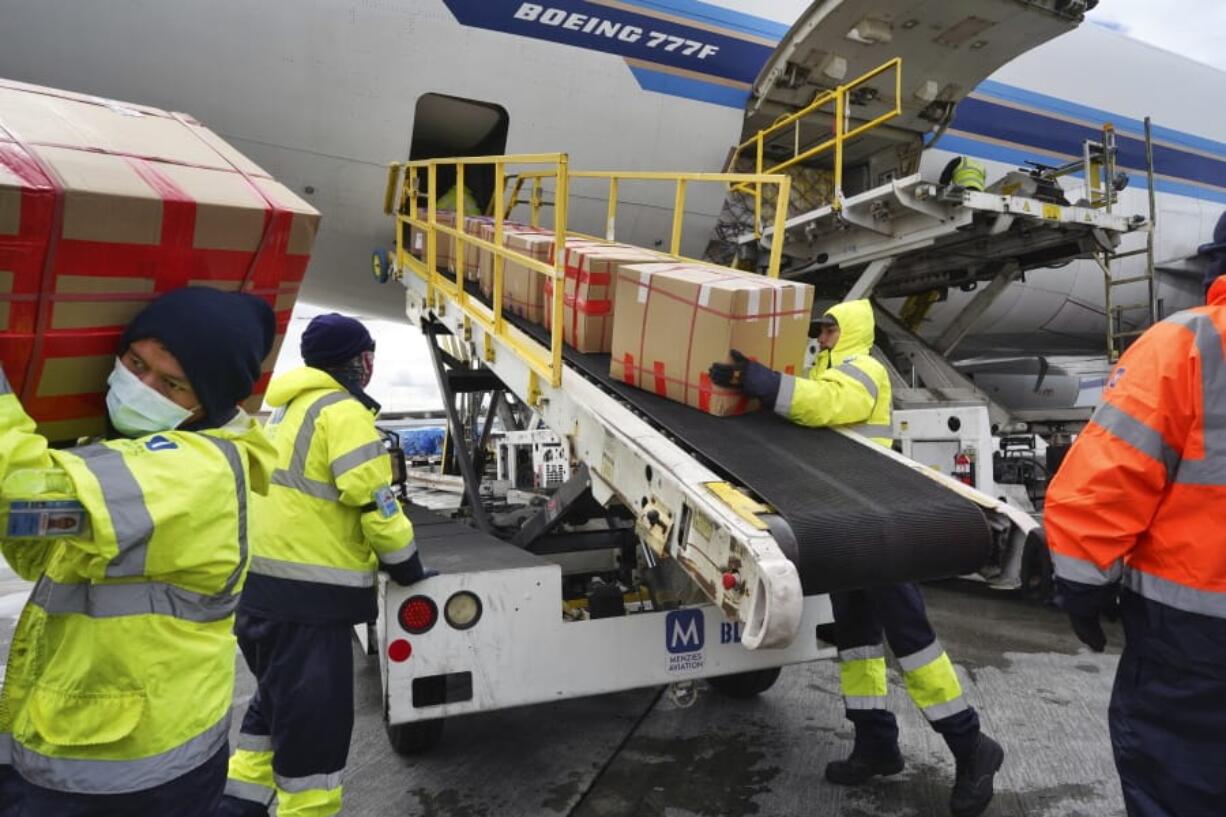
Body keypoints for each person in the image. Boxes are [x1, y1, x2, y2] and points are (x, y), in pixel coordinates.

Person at [709, 299, 1003, 817]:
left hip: (880, 529)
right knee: (858, 645)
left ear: (849, 332)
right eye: (821, 327)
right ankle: (876, 744)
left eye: (829, 328)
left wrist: (766, 383)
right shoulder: (824, 370)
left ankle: (971, 746)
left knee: (913, 646)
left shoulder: (862, 371)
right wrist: (752, 386)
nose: (821, 335)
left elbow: (823, 405)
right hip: (845, 527)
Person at [0, 287, 278, 817]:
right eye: (135, 363)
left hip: (121, 769)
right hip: (85, 736)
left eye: (171, 383)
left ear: (212, 403)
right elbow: (38, 547)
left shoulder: (193, 468)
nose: (140, 386)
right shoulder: (125, 455)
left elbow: (18, 496)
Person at [219, 313, 432, 817]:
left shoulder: (287, 410)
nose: (371, 364)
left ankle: (237, 806)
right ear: (357, 361)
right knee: (315, 734)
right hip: (308, 605)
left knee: (272, 710)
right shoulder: (343, 411)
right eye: (368, 356)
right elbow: (374, 502)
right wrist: (407, 566)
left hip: (261, 596)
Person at [1044, 268, 1226, 816]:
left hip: (1195, 634)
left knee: (1180, 783)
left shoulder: (1192, 343)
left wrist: (1080, 589)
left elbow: (1105, 483)